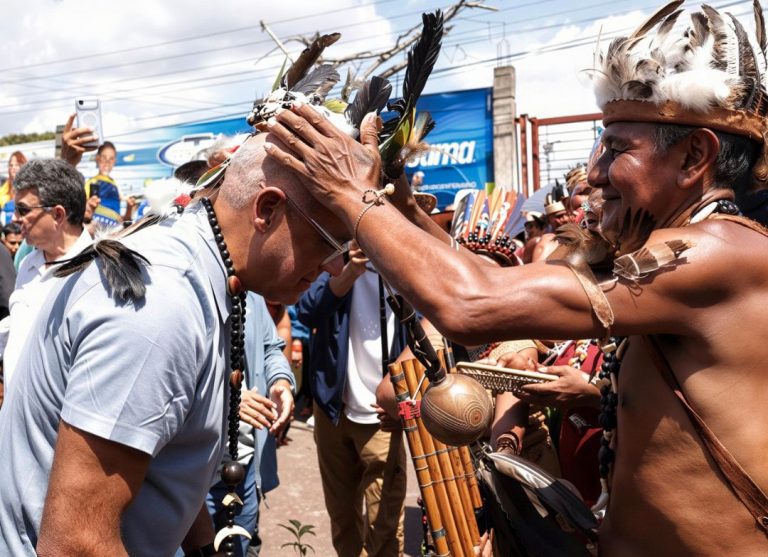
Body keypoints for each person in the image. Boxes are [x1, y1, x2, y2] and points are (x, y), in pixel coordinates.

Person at [263, 3, 768, 553]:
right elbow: (492, 280)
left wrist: (348, 192)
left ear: (694, 156)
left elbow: (471, 304)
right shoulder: (672, 252)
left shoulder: (713, 254)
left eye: (617, 149)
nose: (596, 172)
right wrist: (399, 200)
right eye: (600, 146)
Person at [0, 132, 349, 557]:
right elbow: (76, 543)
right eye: (329, 242)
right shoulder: (159, 303)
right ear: (267, 209)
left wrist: (202, 545)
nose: (336, 266)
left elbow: (156, 458)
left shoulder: (206, 271)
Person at [297, 241, 408, 557]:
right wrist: (349, 272)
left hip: (382, 414)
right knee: (342, 517)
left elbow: (428, 334)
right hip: (334, 408)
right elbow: (307, 311)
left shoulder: (406, 269)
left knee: (384, 524)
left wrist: (401, 395)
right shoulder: (337, 260)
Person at [205, 293, 295, 557]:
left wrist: (280, 381)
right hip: (196, 476)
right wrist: (225, 399)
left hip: (245, 468)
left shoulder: (251, 295)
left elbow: (270, 347)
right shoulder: (187, 287)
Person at [0, 159, 92, 387]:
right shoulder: (27, 265)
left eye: (23, 209)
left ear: (58, 215)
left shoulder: (95, 274)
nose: (15, 218)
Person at [84, 141, 125, 227]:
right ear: (97, 158)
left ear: (114, 161)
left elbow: (121, 203)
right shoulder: (92, 182)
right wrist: (114, 216)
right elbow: (86, 207)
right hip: (98, 226)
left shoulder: (115, 184)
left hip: (114, 229)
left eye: (111, 158)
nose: (107, 162)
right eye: (104, 157)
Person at [0, 151, 27, 225]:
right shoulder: (4, 188)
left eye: (17, 165)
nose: (13, 168)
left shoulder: (28, 187)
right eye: (11, 165)